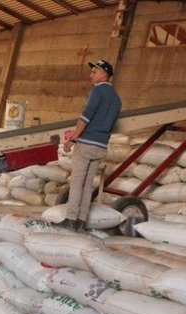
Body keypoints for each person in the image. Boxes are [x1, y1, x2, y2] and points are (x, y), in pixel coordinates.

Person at [61, 59, 122, 231]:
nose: (91, 75)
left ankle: (70, 219)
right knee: (88, 185)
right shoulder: (117, 99)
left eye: (94, 72)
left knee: (77, 182)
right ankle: (82, 221)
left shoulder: (97, 91)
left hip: (86, 144)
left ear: (103, 74)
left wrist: (72, 139)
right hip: (101, 146)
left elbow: (85, 117)